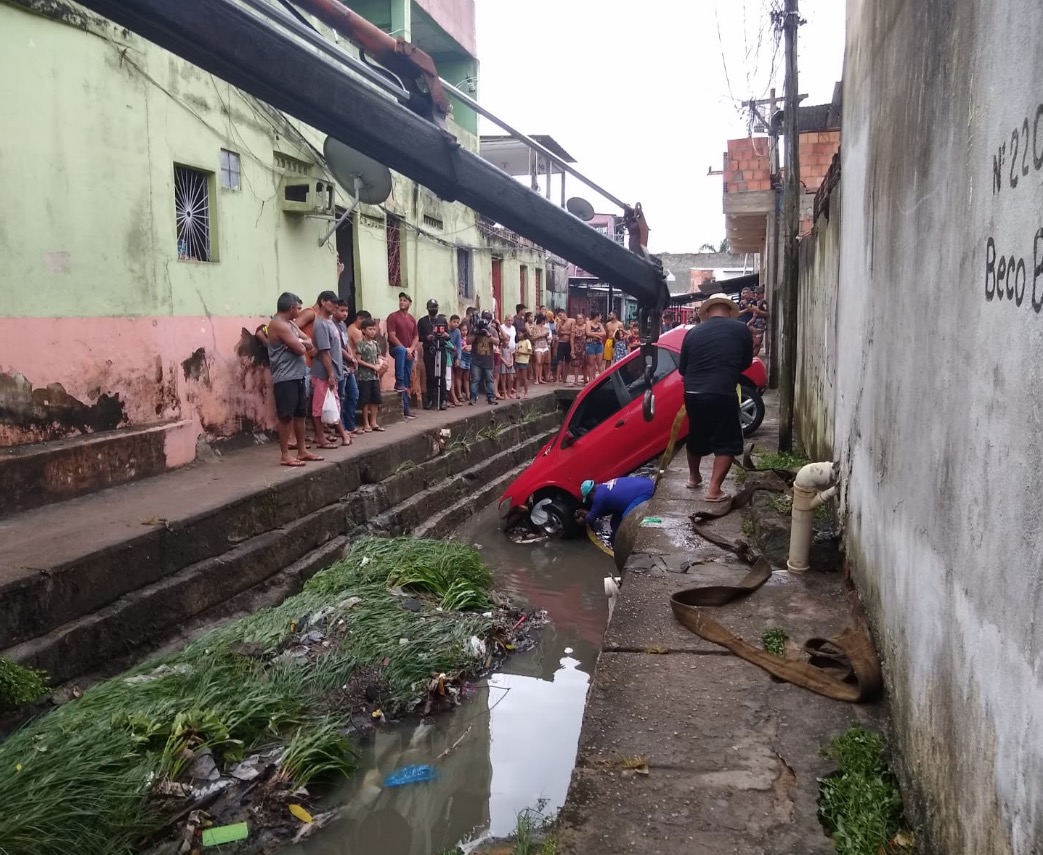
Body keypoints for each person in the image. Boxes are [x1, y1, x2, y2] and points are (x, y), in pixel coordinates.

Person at [677, 293, 753, 501]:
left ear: (708, 311)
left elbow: (683, 368)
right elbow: (746, 362)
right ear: (729, 311)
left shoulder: (693, 333)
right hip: (722, 391)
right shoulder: (741, 329)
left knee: (696, 435)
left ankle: (694, 478)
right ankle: (714, 490)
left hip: (693, 393)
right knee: (727, 440)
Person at [266, 292, 324, 467]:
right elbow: (300, 349)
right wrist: (300, 343)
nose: (299, 311)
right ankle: (285, 454)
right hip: (285, 377)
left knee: (300, 414)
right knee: (286, 416)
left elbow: (308, 341)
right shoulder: (278, 325)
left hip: (298, 374)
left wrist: (299, 342)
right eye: (298, 308)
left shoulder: (290, 324)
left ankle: (302, 450)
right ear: (291, 308)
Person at [309, 291, 351, 449]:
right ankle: (322, 439)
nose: (335, 306)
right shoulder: (320, 324)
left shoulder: (330, 322)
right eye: (332, 302)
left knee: (334, 404)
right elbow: (324, 352)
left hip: (333, 371)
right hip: (324, 373)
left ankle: (343, 434)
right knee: (319, 406)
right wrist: (330, 374)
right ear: (323, 302)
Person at [576, 476, 655, 544]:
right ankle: (614, 541)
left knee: (627, 518)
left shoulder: (599, 496)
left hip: (645, 492)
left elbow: (591, 519)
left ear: (591, 494)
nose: (591, 501)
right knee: (615, 522)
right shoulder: (603, 487)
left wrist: (582, 520)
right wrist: (587, 512)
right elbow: (607, 511)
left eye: (589, 498)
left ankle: (636, 541)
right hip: (646, 483)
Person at [418, 298, 452, 410]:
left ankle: (443, 400)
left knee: (442, 375)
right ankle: (430, 399)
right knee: (430, 376)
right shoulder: (422, 321)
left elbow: (448, 336)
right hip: (429, 350)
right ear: (427, 308)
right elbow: (419, 337)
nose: (434, 309)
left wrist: (446, 336)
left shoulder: (442, 320)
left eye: (435, 307)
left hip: (441, 350)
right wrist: (427, 337)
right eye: (432, 307)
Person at [333, 300, 360, 439]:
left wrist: (352, 358)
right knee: (341, 397)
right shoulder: (331, 325)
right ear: (335, 310)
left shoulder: (343, 325)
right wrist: (350, 358)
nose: (344, 313)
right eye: (341, 310)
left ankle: (350, 425)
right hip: (339, 366)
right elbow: (337, 347)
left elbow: (346, 344)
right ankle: (341, 428)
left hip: (348, 365)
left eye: (346, 311)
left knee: (354, 394)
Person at [355, 318, 385, 432]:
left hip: (374, 376)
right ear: (363, 330)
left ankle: (373, 422)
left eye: (374, 329)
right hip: (364, 377)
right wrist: (372, 366)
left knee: (375, 399)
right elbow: (358, 360)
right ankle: (366, 422)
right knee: (365, 400)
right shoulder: (361, 344)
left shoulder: (375, 344)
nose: (373, 331)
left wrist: (380, 364)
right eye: (370, 329)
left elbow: (378, 357)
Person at [386, 292, 418, 394]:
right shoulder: (393, 316)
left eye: (405, 300)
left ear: (410, 303)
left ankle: (405, 402)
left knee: (407, 378)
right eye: (400, 300)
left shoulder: (412, 319)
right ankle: (399, 381)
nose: (402, 302)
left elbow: (416, 336)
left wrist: (411, 349)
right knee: (401, 351)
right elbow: (392, 336)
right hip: (397, 349)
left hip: (409, 351)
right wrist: (405, 349)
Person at [468, 310, 498, 405]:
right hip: (476, 359)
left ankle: (491, 397)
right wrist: (476, 334)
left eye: (489, 318)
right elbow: (468, 341)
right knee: (475, 379)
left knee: (489, 379)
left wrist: (489, 336)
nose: (487, 320)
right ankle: (473, 398)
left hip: (488, 359)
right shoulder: (474, 329)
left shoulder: (492, 330)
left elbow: (497, 342)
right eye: (485, 317)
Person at [584, 310, 605, 383]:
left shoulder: (599, 324)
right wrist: (597, 335)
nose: (601, 317)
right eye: (600, 316)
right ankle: (590, 380)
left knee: (600, 362)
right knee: (590, 363)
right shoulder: (588, 323)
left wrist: (594, 334)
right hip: (590, 344)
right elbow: (588, 333)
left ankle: (602, 379)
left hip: (599, 344)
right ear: (597, 316)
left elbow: (604, 333)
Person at [529, 313, 550, 384]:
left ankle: (540, 378)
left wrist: (546, 336)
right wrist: (542, 335)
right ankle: (536, 379)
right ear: (542, 320)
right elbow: (532, 338)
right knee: (538, 361)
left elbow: (547, 338)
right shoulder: (534, 328)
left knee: (541, 363)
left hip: (544, 345)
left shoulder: (545, 328)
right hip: (537, 346)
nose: (545, 322)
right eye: (544, 320)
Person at [555, 309, 573, 384]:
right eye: (558, 315)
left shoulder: (571, 321)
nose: (560, 317)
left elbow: (572, 332)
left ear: (564, 314)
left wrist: (564, 332)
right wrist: (560, 326)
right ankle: (558, 378)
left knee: (567, 362)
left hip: (568, 343)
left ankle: (565, 378)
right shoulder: (558, 323)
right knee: (560, 361)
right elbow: (559, 333)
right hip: (561, 343)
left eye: (560, 315)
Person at [514, 329, 532, 398]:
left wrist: (520, 352)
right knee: (517, 377)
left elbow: (530, 352)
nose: (519, 335)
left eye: (520, 334)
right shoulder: (519, 342)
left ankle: (526, 392)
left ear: (524, 334)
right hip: (517, 360)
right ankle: (517, 392)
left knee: (524, 378)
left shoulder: (527, 341)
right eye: (518, 334)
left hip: (524, 361)